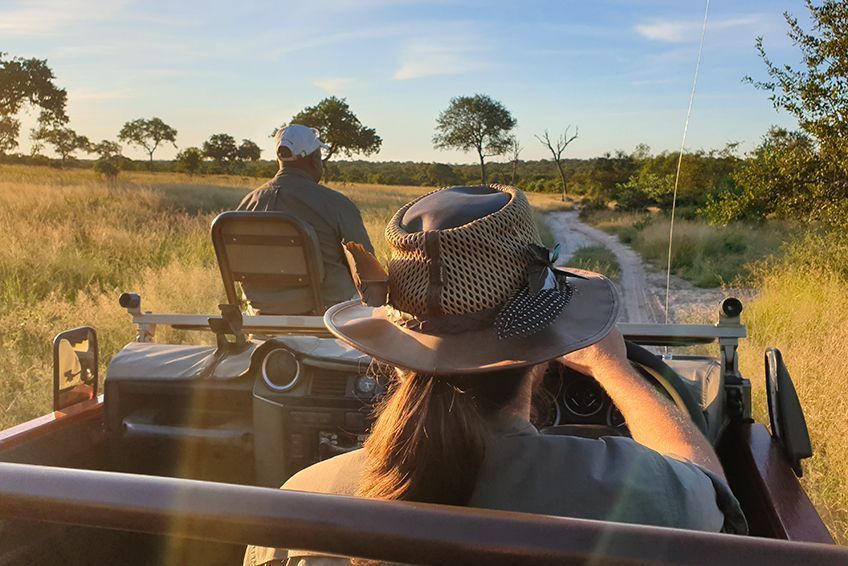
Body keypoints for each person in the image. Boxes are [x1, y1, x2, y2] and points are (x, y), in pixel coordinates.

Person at [245, 185, 747, 565]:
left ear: (397, 356)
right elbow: (708, 492)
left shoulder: (299, 508)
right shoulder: (628, 494)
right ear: (543, 353)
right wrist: (616, 372)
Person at [236, 124, 374, 311]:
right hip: (328, 313)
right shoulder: (336, 204)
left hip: (261, 311)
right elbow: (368, 270)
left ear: (280, 160)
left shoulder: (247, 204)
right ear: (314, 160)